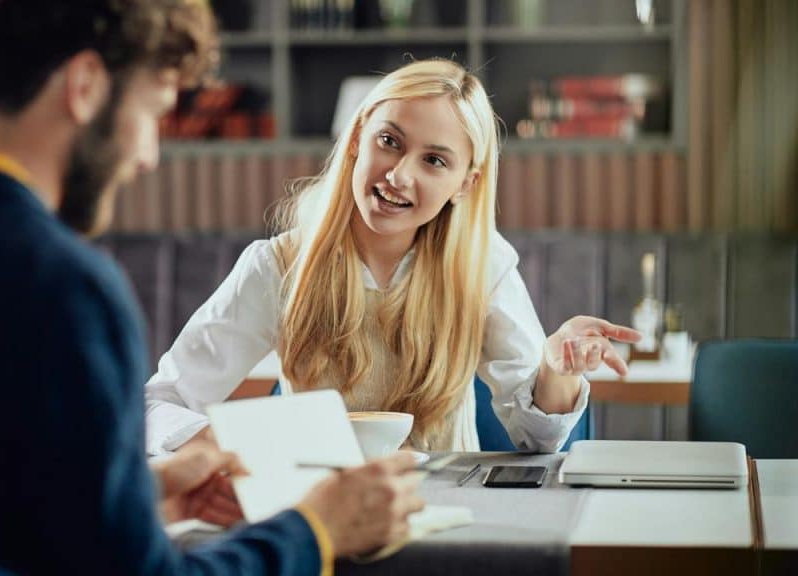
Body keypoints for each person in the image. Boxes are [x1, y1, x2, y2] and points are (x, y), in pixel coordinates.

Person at [0, 1, 425, 574]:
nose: (147, 155)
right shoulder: (65, 289)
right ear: (85, 87)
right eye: (153, 110)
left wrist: (144, 495)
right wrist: (317, 530)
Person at [144, 58, 642, 456]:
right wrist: (230, 446)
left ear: (464, 184)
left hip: (452, 523)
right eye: (389, 142)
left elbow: (539, 440)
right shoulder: (278, 265)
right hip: (321, 517)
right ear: (358, 137)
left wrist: (556, 369)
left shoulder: (484, 267)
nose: (400, 176)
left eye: (434, 161)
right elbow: (158, 404)